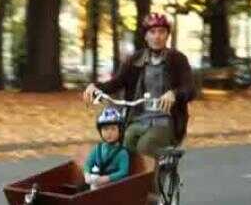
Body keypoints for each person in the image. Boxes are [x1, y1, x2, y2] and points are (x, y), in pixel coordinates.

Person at [83, 13, 196, 157]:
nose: (157, 36)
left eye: (162, 32)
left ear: (167, 35)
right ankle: (134, 179)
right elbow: (117, 82)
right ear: (146, 36)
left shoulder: (177, 59)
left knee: (145, 146)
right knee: (126, 145)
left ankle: (166, 161)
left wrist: (174, 93)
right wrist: (96, 87)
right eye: (152, 32)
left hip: (166, 120)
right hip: (139, 119)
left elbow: (190, 89)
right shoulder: (135, 60)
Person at [84, 107, 130, 190]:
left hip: (114, 186)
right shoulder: (97, 149)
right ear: (100, 131)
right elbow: (88, 163)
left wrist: (107, 178)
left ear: (120, 131)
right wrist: (87, 174)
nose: (109, 133)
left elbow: (123, 171)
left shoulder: (122, 153)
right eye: (105, 129)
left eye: (113, 129)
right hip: (96, 182)